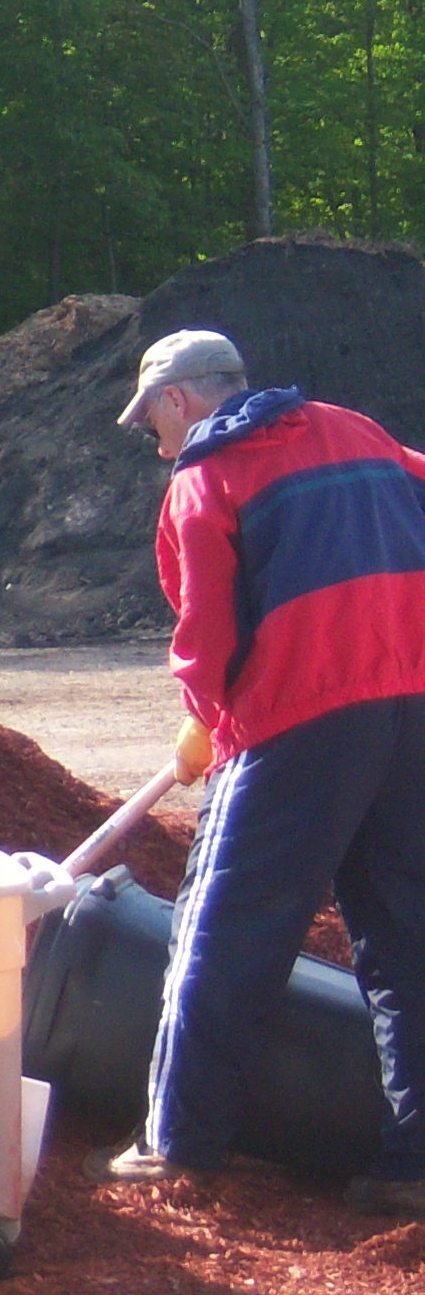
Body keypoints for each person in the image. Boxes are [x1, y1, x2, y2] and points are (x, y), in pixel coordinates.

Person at [102, 329, 425, 1217]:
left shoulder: (204, 479)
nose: (157, 443)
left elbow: (203, 637)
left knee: (224, 927)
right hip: (413, 708)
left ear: (177, 400)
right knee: (409, 940)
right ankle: (414, 1166)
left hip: (301, 716)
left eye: (153, 424)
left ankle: (176, 1145)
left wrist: (206, 723)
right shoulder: (354, 429)